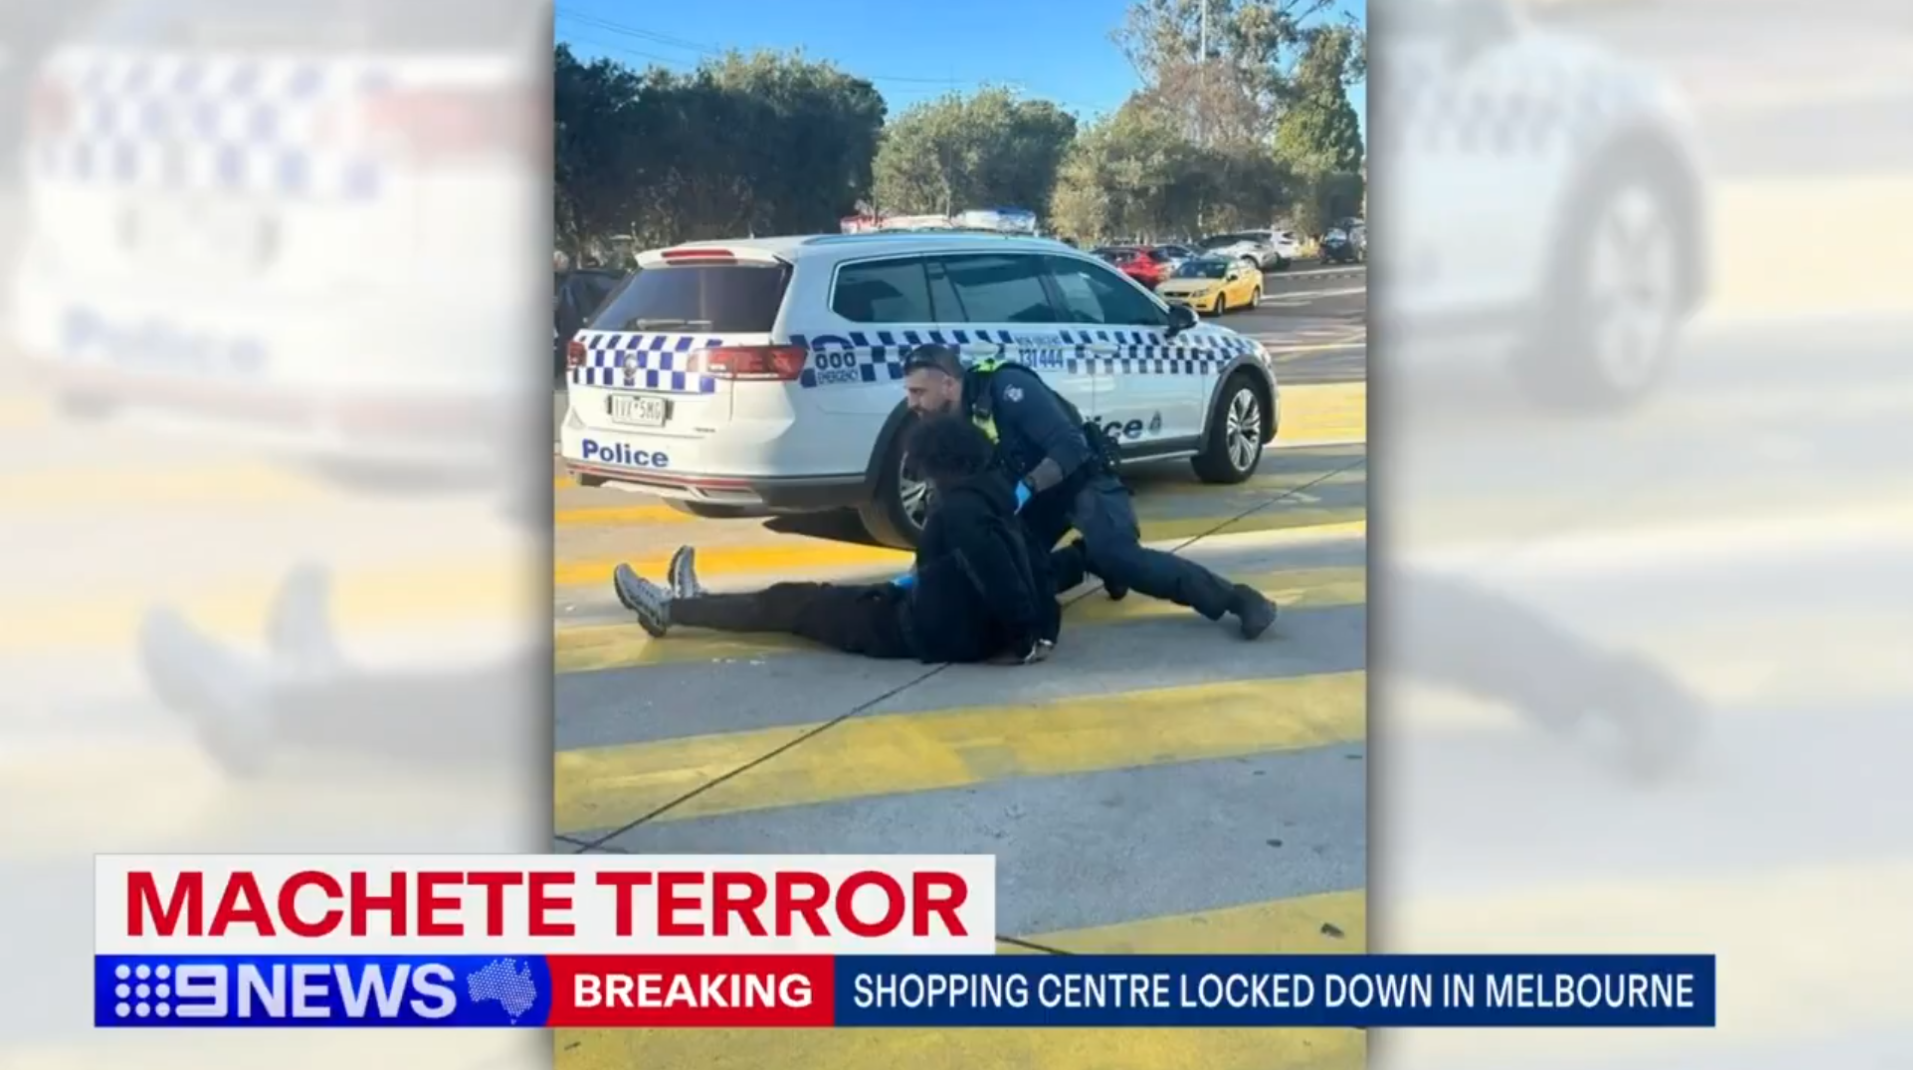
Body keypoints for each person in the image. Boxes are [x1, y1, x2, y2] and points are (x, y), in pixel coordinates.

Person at [613, 413, 1060, 665]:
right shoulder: (995, 496)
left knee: (789, 604)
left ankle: (669, 609)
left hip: (914, 632)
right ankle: (698, 603)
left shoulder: (960, 510)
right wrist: (1043, 627)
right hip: (932, 616)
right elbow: (1036, 564)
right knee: (806, 597)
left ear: (937, 463)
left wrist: (1025, 639)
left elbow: (995, 569)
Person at [900, 342, 1277, 640]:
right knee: (1018, 577)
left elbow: (1069, 446)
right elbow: (948, 505)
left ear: (947, 384)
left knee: (1122, 558)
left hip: (1083, 481)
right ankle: (1084, 559)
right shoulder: (946, 425)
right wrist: (919, 572)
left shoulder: (1007, 387)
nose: (911, 403)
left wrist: (1024, 489)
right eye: (909, 393)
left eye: (918, 392)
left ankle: (1236, 599)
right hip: (1039, 500)